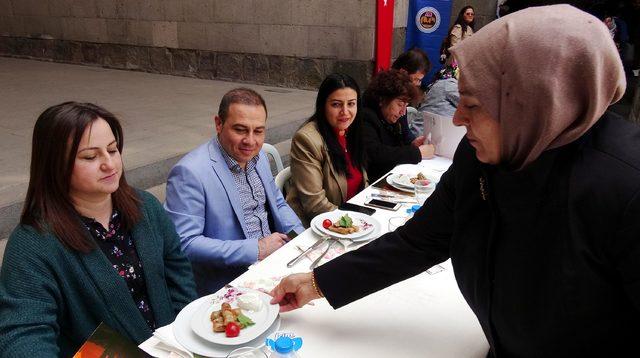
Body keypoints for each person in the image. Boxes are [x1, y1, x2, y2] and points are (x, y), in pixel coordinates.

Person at [270, 5, 640, 356]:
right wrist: (316, 282)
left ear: (532, 102)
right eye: (460, 99)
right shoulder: (483, 157)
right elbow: (418, 241)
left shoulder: (625, 190)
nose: (459, 119)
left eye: (474, 104)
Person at [0, 102, 197, 356]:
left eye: (113, 150)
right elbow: (23, 334)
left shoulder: (144, 206)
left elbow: (178, 272)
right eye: (90, 157)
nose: (109, 164)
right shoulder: (32, 245)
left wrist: (187, 335)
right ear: (55, 164)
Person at [164, 88, 304, 295]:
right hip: (231, 282)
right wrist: (256, 249)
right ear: (218, 124)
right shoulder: (190, 172)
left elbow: (278, 202)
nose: (251, 141)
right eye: (240, 130)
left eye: (258, 131)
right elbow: (185, 243)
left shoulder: (259, 157)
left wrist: (299, 238)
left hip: (275, 264)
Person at [286, 74, 368, 227]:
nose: (345, 111)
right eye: (336, 105)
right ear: (323, 105)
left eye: (351, 104)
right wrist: (355, 224)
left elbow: (364, 183)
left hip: (349, 218)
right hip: (316, 226)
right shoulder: (307, 139)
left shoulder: (351, 131)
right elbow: (315, 205)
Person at [361, 69, 435, 182]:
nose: (403, 111)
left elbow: (396, 145)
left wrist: (412, 144)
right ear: (382, 99)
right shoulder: (366, 117)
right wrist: (416, 153)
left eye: (406, 105)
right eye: (400, 104)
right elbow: (376, 153)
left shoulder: (392, 116)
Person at [391, 47, 432, 142]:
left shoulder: (404, 93)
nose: (418, 84)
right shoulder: (389, 94)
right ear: (403, 72)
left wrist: (414, 143)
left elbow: (404, 132)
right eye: (417, 79)